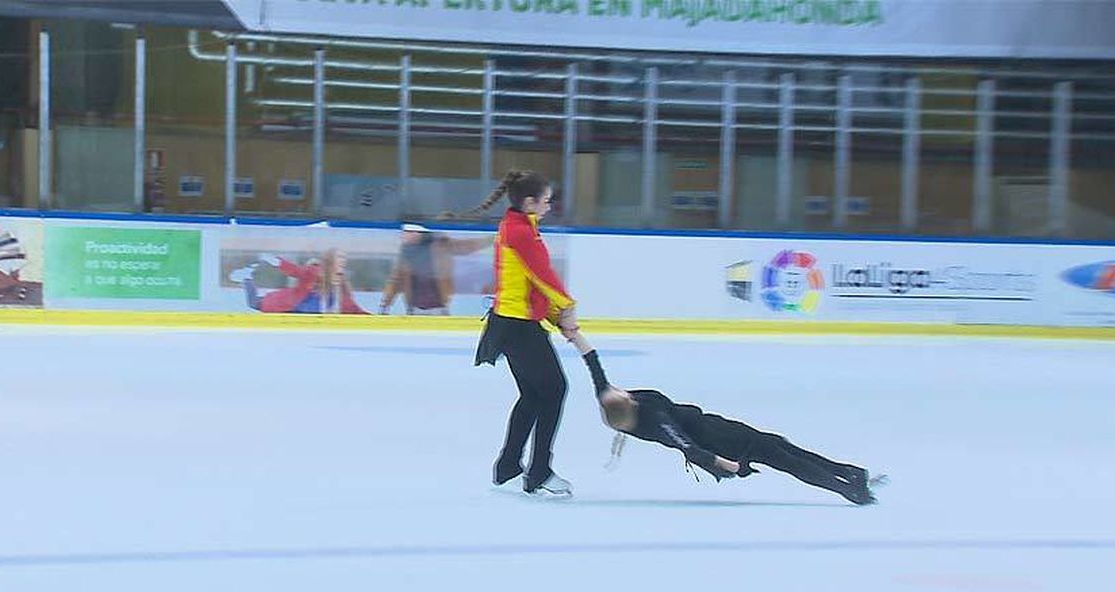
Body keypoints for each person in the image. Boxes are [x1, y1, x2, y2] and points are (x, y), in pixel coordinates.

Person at [566, 332, 884, 506]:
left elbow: (593, 364)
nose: (619, 390)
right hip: (721, 442)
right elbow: (689, 448)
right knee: (785, 459)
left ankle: (851, 473)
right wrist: (728, 465)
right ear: (630, 406)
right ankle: (848, 490)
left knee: (783, 447)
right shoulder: (656, 420)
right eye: (623, 395)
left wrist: (574, 334)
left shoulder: (609, 399)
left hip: (716, 427)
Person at [473, 170, 579, 499]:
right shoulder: (520, 231)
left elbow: (530, 283)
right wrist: (567, 308)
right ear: (529, 202)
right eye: (546, 201)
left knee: (535, 395)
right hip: (517, 326)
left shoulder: (517, 225)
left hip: (514, 323)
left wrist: (552, 314)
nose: (549, 207)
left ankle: (508, 465)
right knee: (555, 389)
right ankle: (539, 472)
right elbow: (543, 275)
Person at [378, 223, 495, 315]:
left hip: (438, 308)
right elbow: (395, 281)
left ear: (421, 233)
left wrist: (491, 239)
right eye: (405, 232)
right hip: (415, 309)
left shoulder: (441, 245)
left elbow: (466, 246)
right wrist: (385, 305)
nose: (404, 235)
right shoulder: (406, 253)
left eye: (409, 232)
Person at [243, 249, 369, 315]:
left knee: (255, 302)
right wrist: (275, 261)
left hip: (305, 314)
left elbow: (352, 308)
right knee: (254, 302)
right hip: (292, 308)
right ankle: (246, 278)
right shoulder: (313, 274)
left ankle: (247, 278)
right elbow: (296, 271)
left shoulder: (339, 289)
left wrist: (374, 318)